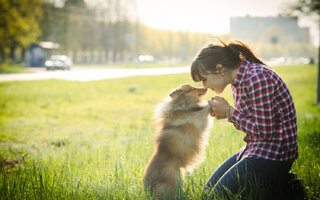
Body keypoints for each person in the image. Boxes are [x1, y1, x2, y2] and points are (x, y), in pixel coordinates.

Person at [190, 39, 299, 199]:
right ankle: (283, 188)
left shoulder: (257, 77)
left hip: (275, 155)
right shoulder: (237, 82)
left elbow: (265, 132)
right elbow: (253, 124)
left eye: (204, 79)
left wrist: (230, 112)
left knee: (217, 197)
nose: (205, 86)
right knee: (207, 193)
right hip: (255, 149)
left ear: (220, 69)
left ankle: (284, 188)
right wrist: (227, 114)